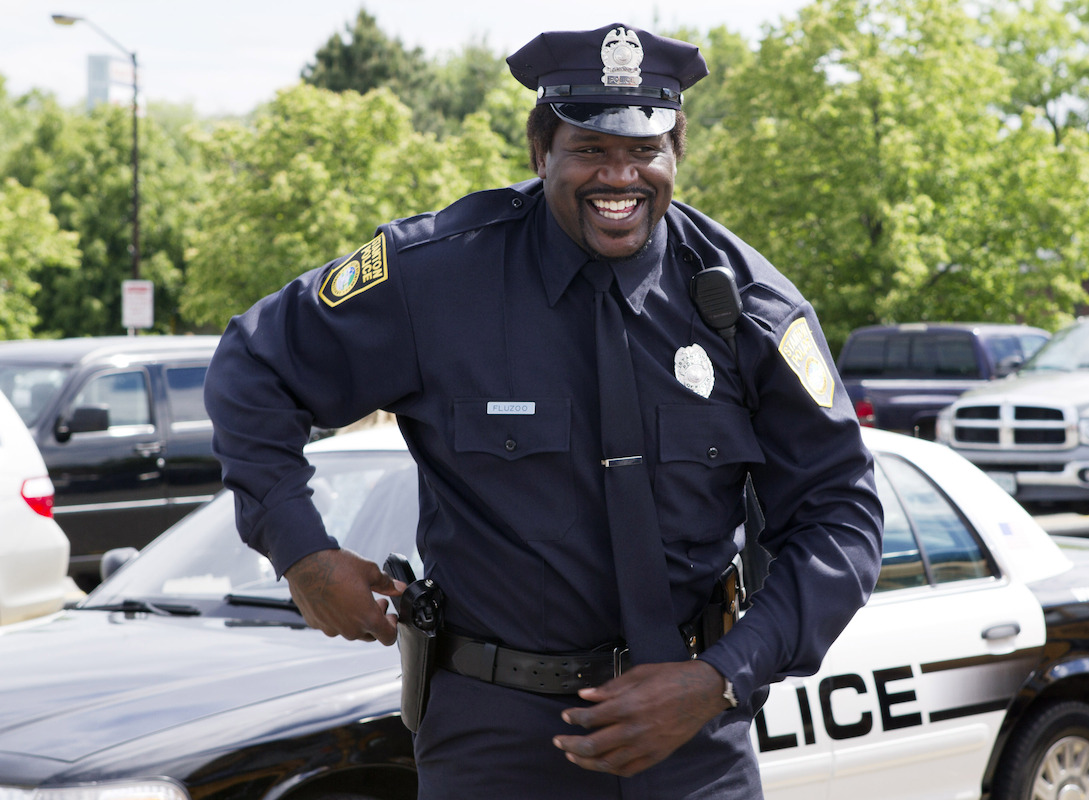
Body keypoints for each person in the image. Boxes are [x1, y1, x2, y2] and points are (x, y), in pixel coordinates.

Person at [204, 23, 883, 800]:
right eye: (590, 149)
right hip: (495, 736)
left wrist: (720, 677)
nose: (619, 175)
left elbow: (840, 515)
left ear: (676, 155)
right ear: (541, 153)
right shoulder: (436, 281)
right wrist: (301, 552)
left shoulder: (748, 307)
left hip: (693, 738)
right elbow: (254, 364)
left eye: (643, 151)